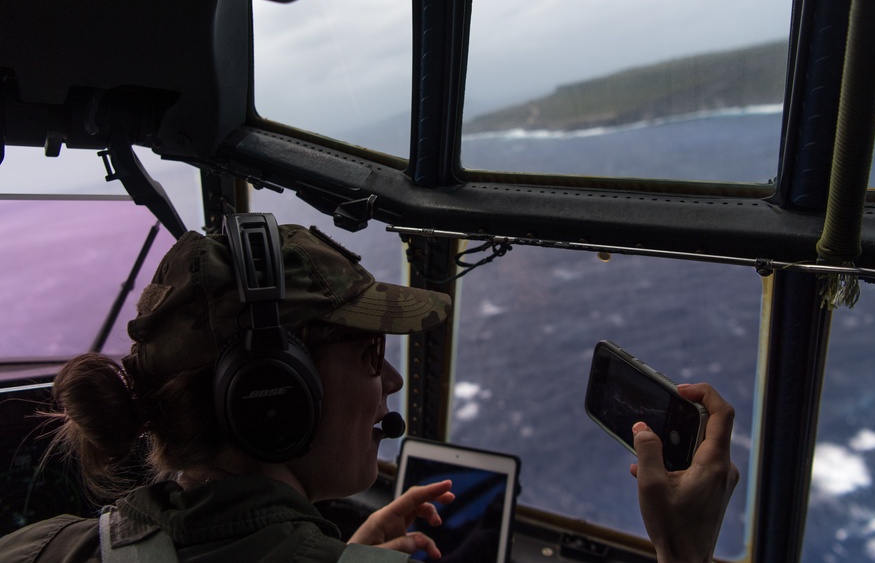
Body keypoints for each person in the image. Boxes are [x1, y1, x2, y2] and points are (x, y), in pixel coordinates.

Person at [0, 218, 738, 562]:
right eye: (368, 355)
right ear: (274, 396)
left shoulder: (49, 546)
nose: (389, 380)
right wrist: (682, 546)